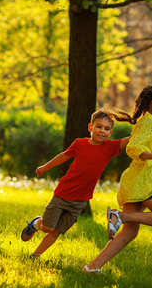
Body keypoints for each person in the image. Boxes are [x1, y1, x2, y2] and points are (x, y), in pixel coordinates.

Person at [82, 85, 152, 275]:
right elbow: (133, 148)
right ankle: (119, 216)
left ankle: (92, 267)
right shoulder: (148, 123)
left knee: (129, 232)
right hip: (143, 184)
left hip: (140, 182)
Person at [21, 109, 131, 258]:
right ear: (90, 127)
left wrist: (146, 125)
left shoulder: (110, 148)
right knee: (47, 227)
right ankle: (36, 223)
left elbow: (131, 139)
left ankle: (35, 256)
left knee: (56, 232)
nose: (102, 131)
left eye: (106, 129)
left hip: (80, 201)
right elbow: (63, 156)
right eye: (98, 126)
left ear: (110, 133)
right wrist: (45, 167)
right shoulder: (80, 144)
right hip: (63, 194)